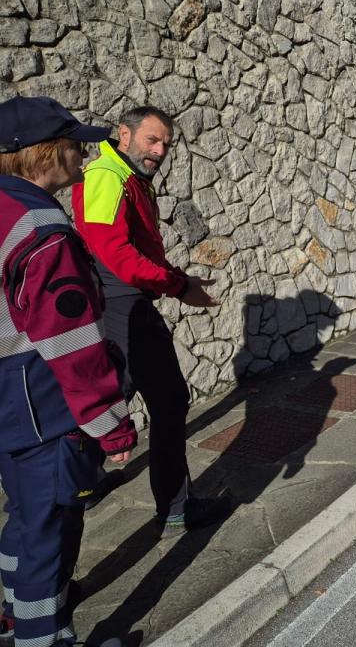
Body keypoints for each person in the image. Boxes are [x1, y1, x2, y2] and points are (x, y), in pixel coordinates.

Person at [0, 96, 136, 647]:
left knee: (23, 521)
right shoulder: (41, 227)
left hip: (9, 405)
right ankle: (42, 636)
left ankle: (12, 617)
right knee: (47, 535)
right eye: (75, 143)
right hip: (43, 406)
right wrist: (113, 427)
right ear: (45, 153)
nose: (84, 153)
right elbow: (71, 342)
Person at [71, 106, 223, 538]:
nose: (159, 150)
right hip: (121, 297)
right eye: (152, 140)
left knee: (117, 389)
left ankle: (83, 479)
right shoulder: (107, 175)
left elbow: (138, 250)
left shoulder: (128, 176)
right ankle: (174, 507)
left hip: (124, 297)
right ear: (125, 133)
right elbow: (114, 255)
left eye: (166, 144)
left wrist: (176, 278)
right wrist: (177, 286)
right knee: (168, 398)